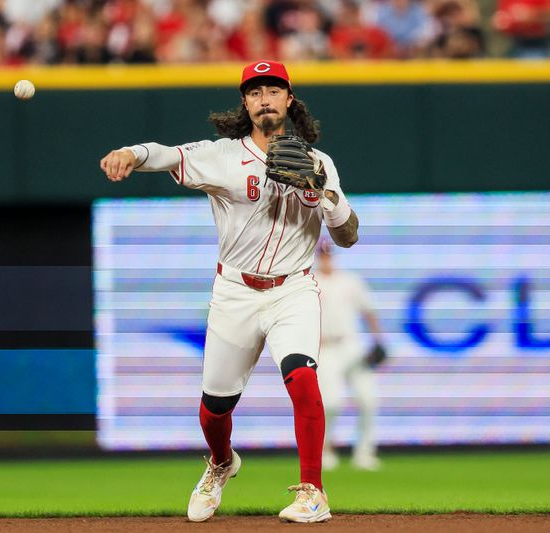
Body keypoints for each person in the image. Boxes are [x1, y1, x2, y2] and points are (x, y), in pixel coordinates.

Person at [100, 60, 359, 523]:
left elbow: (348, 237)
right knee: (214, 409)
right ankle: (221, 463)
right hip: (235, 291)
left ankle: (313, 493)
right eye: (255, 91)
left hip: (293, 290)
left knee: (303, 380)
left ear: (289, 99)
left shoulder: (319, 164)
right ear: (245, 102)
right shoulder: (222, 155)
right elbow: (166, 154)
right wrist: (130, 152)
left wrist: (324, 194)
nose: (264, 98)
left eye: (272, 89)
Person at [314, 239, 386, 471]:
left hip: (352, 344)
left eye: (328, 254)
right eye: (322, 254)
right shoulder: (309, 282)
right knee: (331, 403)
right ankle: (325, 451)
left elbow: (368, 311)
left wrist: (378, 340)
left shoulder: (350, 281)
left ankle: (364, 453)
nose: (326, 258)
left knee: (368, 399)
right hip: (325, 347)